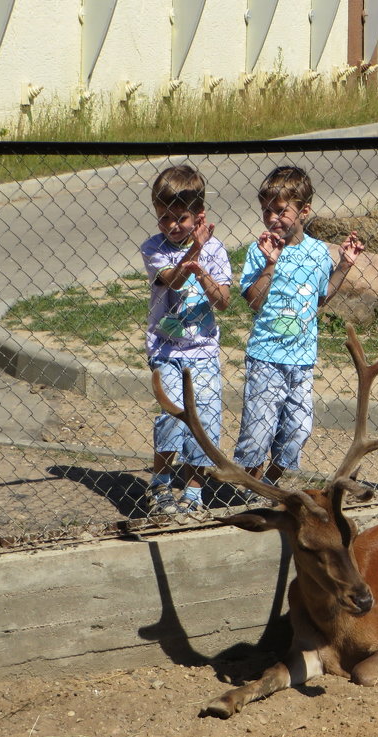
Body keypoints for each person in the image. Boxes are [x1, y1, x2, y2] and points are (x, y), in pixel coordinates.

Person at [233, 165, 364, 494]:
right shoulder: (258, 251)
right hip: (266, 357)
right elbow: (254, 301)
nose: (272, 217)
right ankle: (251, 491)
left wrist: (344, 266)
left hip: (303, 360)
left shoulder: (319, 252)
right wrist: (270, 263)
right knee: (258, 430)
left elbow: (322, 298)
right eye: (266, 210)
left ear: (304, 211)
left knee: (298, 429)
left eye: (280, 210)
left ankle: (269, 485)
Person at [142, 164, 232, 515]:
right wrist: (193, 254)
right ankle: (160, 484)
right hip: (166, 348)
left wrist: (204, 269)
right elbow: (174, 281)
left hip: (204, 349)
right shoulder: (154, 248)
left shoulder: (217, 250)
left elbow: (223, 301)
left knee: (205, 418)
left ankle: (194, 489)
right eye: (164, 218)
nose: (172, 226)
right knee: (171, 415)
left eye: (180, 218)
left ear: (199, 215)